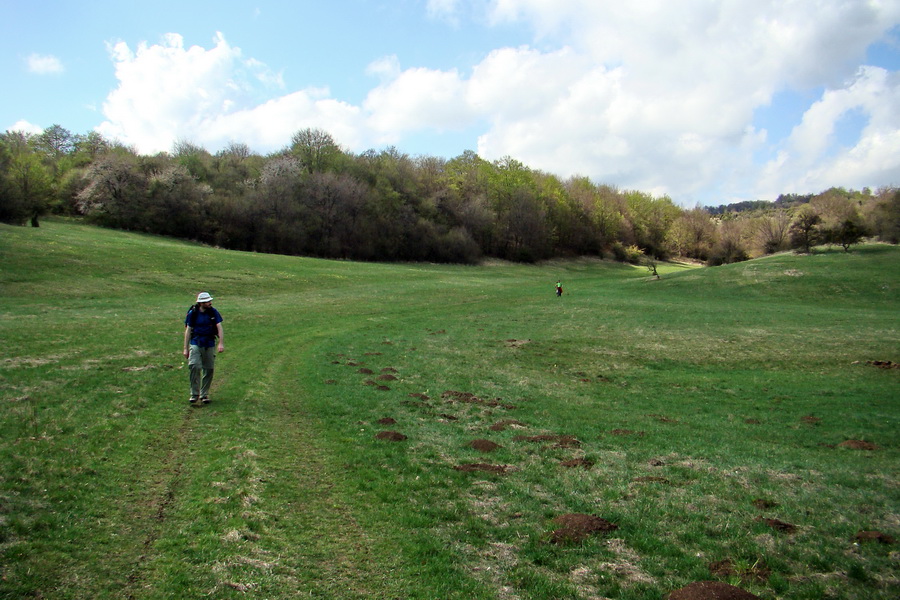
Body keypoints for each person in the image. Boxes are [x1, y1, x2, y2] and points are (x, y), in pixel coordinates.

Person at [183, 292, 224, 404]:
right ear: (201, 303)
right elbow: (188, 330)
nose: (210, 303)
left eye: (210, 301)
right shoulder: (193, 313)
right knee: (194, 366)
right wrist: (185, 348)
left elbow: (219, 327)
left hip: (209, 343)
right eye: (207, 301)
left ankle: (204, 394)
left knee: (209, 368)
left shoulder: (213, 312)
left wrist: (221, 343)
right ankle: (194, 394)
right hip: (196, 342)